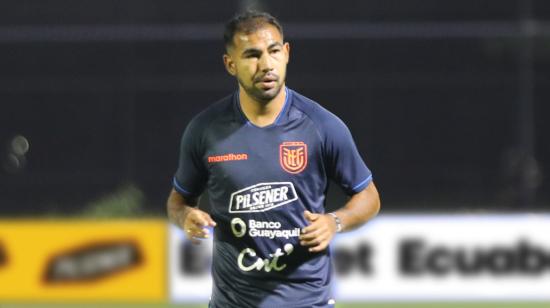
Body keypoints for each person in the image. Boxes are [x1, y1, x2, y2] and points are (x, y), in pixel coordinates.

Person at [167, 10, 380, 308]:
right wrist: (186, 217)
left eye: (274, 51)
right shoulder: (205, 130)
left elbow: (369, 196)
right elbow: (178, 201)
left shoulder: (321, 126)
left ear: (287, 53)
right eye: (252, 55)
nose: (266, 65)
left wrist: (335, 222)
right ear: (230, 64)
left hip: (307, 302)